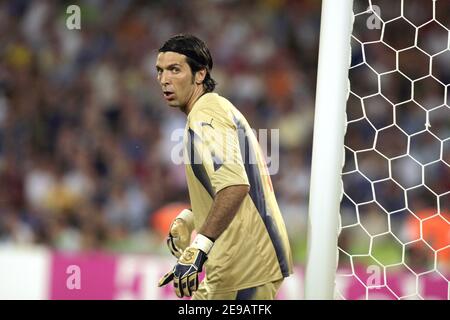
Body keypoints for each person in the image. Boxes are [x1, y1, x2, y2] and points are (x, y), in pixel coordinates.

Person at [156, 34, 293, 300]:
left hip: (245, 268)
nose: (164, 79)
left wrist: (199, 246)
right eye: (160, 71)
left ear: (200, 74)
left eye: (175, 70)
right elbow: (232, 187)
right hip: (235, 268)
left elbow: (235, 186)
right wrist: (194, 217)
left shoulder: (206, 114)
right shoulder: (211, 110)